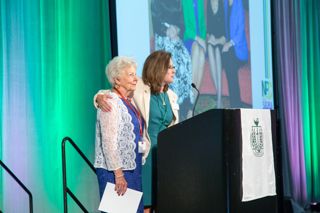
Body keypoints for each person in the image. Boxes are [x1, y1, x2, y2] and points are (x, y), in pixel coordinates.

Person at [94, 50, 179, 213]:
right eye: (170, 67)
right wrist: (98, 97)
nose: (174, 69)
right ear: (159, 68)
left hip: (158, 159)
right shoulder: (139, 88)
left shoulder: (172, 95)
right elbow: (111, 93)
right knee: (139, 205)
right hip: (141, 160)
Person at [94, 56, 147, 213]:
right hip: (116, 173)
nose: (135, 78)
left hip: (133, 170)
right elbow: (109, 142)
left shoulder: (129, 101)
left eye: (135, 74)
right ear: (117, 79)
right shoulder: (110, 102)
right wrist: (118, 174)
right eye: (130, 74)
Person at [151, 0, 193, 120]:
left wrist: (177, 30)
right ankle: (173, 104)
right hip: (163, 37)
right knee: (172, 62)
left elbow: (182, 23)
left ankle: (186, 103)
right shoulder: (155, 2)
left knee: (185, 58)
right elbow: (156, 24)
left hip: (175, 36)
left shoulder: (178, 1)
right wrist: (167, 30)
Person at [222, 0, 248, 108]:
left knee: (229, 63)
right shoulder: (224, 3)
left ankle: (235, 103)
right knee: (227, 59)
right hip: (228, 46)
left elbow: (240, 30)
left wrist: (229, 43)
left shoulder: (238, 4)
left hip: (239, 48)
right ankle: (235, 102)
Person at [181, 0, 207, 92]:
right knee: (196, 48)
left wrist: (203, 40)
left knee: (202, 54)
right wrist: (199, 39)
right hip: (189, 37)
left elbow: (202, 22)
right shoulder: (185, 1)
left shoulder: (200, 1)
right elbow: (184, 26)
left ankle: (195, 95)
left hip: (200, 38)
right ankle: (191, 93)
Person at [207, 0, 226, 108]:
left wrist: (217, 40)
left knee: (217, 52)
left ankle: (219, 98)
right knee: (210, 48)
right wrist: (210, 37)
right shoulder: (209, 3)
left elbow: (225, 33)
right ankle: (219, 92)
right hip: (213, 41)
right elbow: (209, 28)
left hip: (222, 42)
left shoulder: (223, 5)